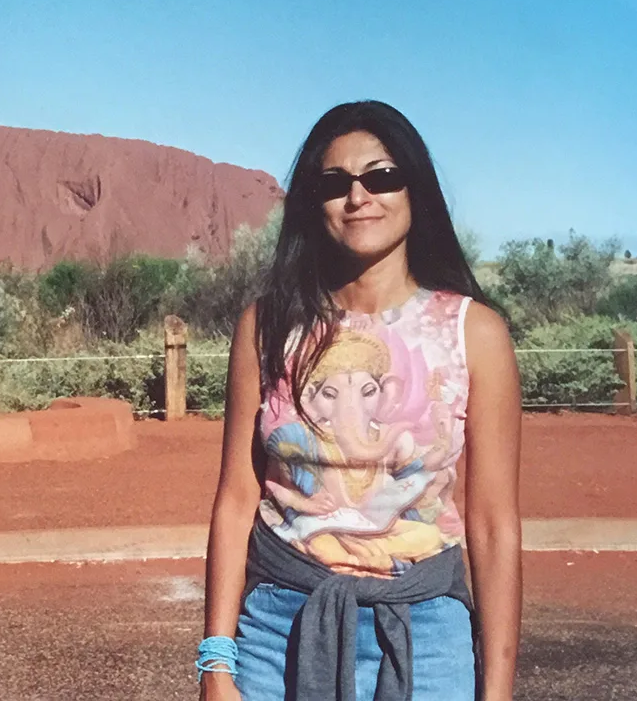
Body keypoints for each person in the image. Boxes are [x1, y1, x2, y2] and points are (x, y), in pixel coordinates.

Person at [198, 101, 521, 701]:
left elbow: (494, 524)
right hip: (277, 631)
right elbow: (237, 498)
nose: (358, 197)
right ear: (311, 202)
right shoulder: (268, 326)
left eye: (381, 176)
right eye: (334, 183)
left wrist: (497, 690)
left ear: (413, 190)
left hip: (424, 636)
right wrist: (216, 662)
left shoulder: (473, 333)